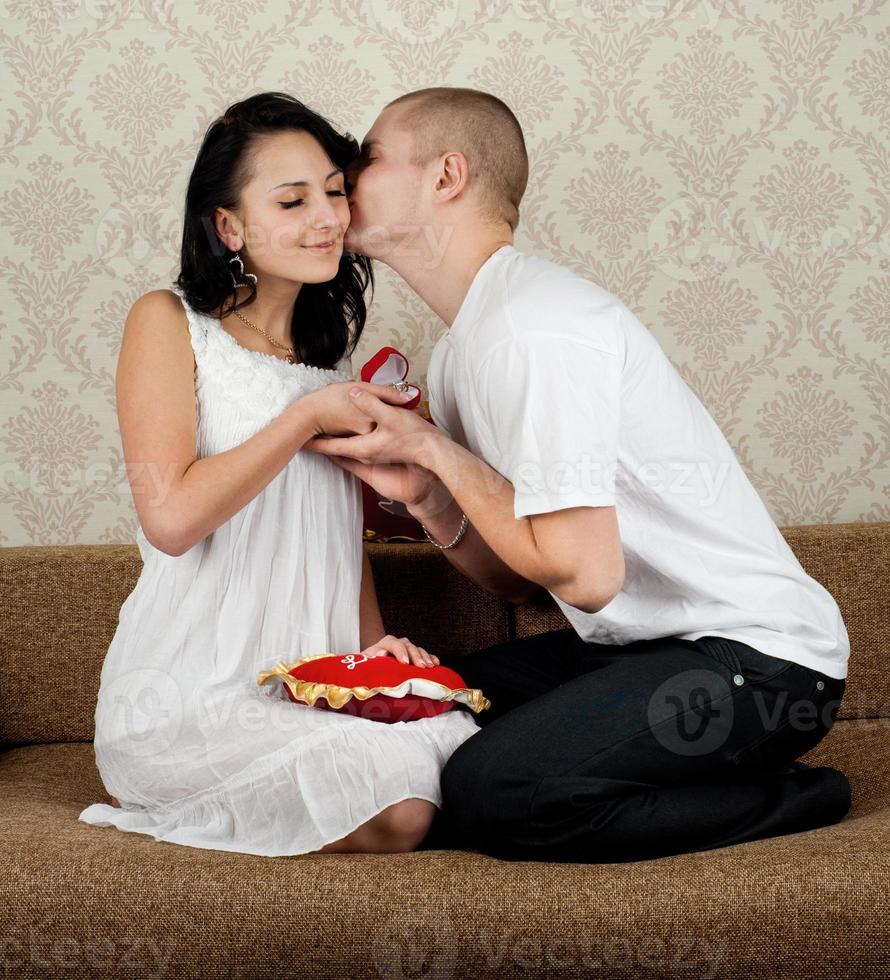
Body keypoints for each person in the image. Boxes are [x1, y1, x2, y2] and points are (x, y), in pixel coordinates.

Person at [303, 86, 853, 863]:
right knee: (414, 712)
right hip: (639, 654)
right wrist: (427, 493)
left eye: (368, 155)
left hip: (761, 668)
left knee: (497, 794)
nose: (344, 174)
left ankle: (800, 793)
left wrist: (436, 452)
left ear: (446, 176)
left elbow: (586, 577)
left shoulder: (537, 327)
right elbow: (523, 583)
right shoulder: (469, 349)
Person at [77, 92, 483, 857]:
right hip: (185, 697)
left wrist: (376, 653)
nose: (327, 217)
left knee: (465, 747)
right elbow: (171, 519)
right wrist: (303, 420)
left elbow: (332, 540)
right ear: (228, 226)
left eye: (334, 191)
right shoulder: (167, 323)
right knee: (401, 802)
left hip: (305, 691)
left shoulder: (324, 370)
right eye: (292, 200)